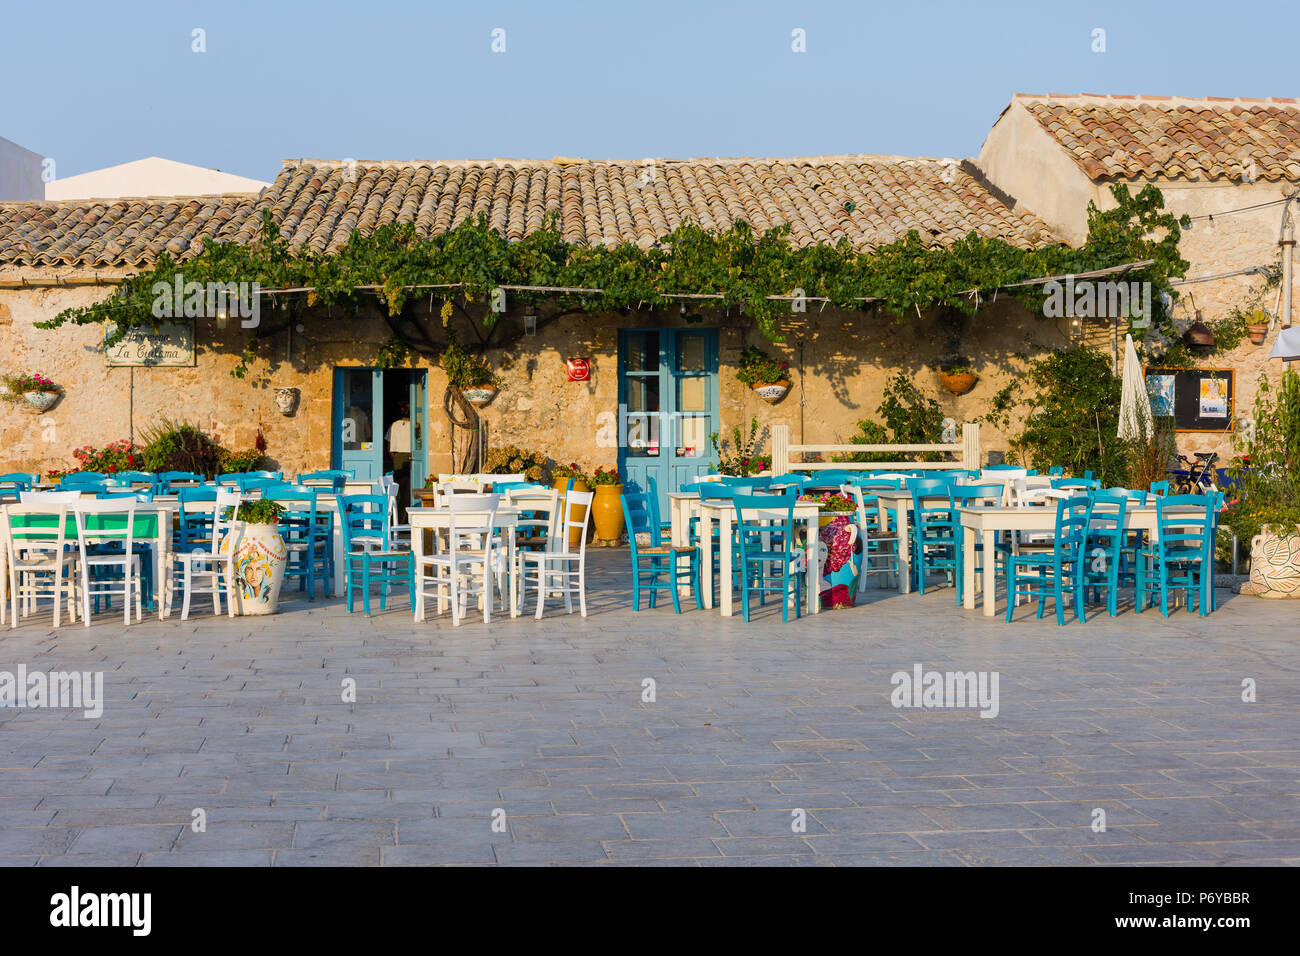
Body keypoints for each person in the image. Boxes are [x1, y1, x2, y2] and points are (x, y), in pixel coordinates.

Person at [385, 401, 412, 521]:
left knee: (402, 493)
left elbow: (388, 447)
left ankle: (400, 520)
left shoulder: (394, 425)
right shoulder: (415, 425)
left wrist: (395, 458)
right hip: (409, 457)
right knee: (407, 493)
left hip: (398, 458)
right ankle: (402, 521)